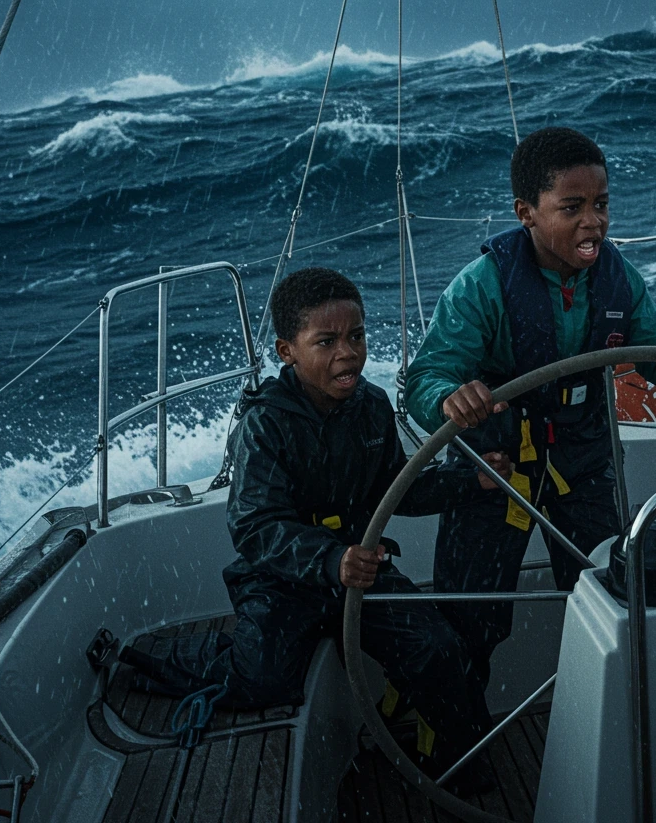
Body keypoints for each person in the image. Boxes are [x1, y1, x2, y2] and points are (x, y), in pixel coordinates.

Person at [119, 267, 504, 792]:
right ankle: (143, 659)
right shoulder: (265, 424)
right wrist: (328, 560)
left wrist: (469, 481)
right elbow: (255, 527)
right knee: (262, 679)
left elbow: (397, 489)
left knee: (439, 649)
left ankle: (461, 768)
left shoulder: (370, 407)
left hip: (362, 571)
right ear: (286, 352)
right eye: (326, 341)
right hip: (282, 581)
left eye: (356, 336)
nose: (348, 353)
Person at [405, 126, 656, 686]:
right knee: (471, 616)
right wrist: (448, 397)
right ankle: (443, 732)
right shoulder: (483, 286)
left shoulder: (618, 279)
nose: (594, 222)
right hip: (497, 474)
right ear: (527, 213)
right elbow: (425, 376)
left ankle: (611, 715)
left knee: (612, 599)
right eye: (572, 207)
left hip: (584, 468)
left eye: (601, 204)